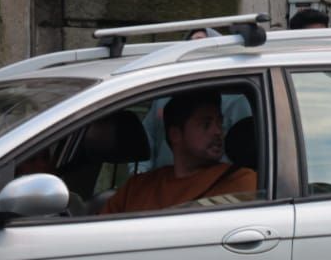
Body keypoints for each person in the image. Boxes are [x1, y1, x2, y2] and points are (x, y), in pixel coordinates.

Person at [102, 90, 258, 215]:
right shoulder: (136, 188)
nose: (218, 131)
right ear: (175, 134)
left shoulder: (243, 182)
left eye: (219, 122)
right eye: (206, 124)